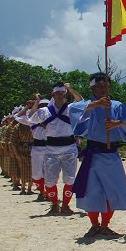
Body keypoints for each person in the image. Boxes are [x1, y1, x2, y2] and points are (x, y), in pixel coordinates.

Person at [69, 73, 126, 238]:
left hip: (110, 153)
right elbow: (73, 111)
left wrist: (118, 123)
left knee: (112, 190)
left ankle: (105, 225)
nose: (102, 89)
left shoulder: (117, 106)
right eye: (99, 86)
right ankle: (94, 225)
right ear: (92, 88)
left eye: (105, 86)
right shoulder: (86, 105)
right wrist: (96, 105)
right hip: (92, 155)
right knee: (92, 191)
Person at [28, 83, 83, 214]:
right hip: (51, 149)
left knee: (70, 179)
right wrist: (37, 101)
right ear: (52, 94)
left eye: (62, 93)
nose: (59, 96)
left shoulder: (70, 109)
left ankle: (65, 205)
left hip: (69, 148)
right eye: (57, 93)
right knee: (50, 180)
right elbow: (31, 116)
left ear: (65, 94)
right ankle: (54, 204)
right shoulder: (45, 111)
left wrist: (70, 89)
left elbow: (80, 101)